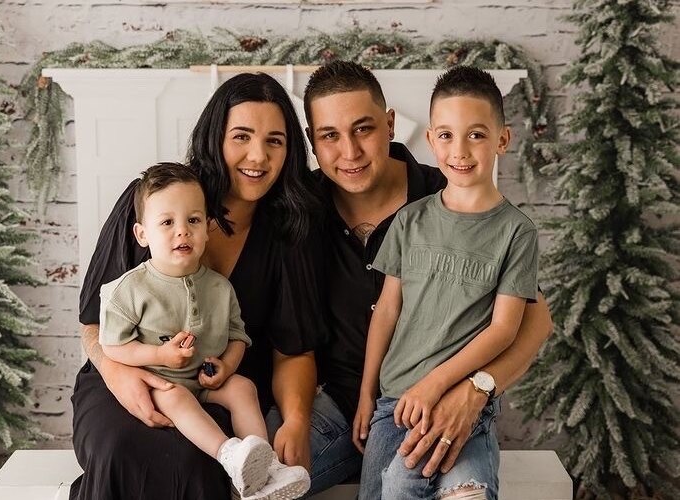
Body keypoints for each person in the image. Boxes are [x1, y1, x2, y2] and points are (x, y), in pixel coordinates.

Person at [302, 60, 553, 497]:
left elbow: (531, 321)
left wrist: (475, 389)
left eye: (363, 129)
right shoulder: (299, 207)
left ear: (390, 124)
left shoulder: (454, 195)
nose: (350, 152)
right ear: (313, 142)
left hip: (451, 394)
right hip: (348, 403)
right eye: (329, 136)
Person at [72, 73, 326, 500]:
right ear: (215, 138)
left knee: (198, 462)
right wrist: (120, 375)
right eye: (241, 136)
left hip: (217, 385)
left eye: (275, 141)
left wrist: (296, 420)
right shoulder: (154, 199)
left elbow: (294, 348)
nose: (258, 156)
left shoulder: (287, 231)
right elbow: (92, 325)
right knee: (119, 447)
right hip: (125, 373)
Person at [98, 162, 310, 499]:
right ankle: (229, 454)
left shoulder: (219, 288)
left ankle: (266, 469)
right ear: (142, 234)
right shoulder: (129, 289)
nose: (182, 232)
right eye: (167, 222)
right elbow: (112, 346)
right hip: (160, 383)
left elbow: (239, 336)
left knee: (243, 389)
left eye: (193, 221)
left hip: (205, 379)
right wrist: (159, 354)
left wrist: (226, 366)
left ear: (208, 227)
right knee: (178, 396)